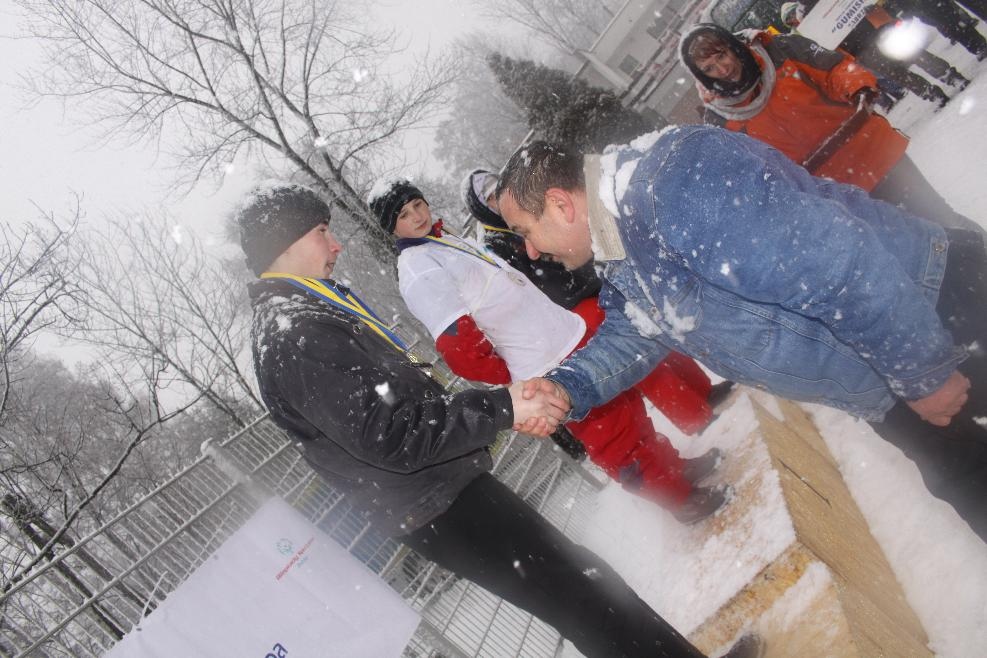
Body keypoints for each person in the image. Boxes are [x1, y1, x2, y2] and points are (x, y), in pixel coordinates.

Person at [236, 182, 762, 658]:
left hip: (436, 492)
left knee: (581, 588)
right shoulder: (293, 332)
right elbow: (391, 432)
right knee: (583, 592)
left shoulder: (303, 315)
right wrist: (504, 403)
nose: (336, 245)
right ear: (284, 241)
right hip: (432, 501)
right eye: (322, 232)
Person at [494, 130, 987, 543]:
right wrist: (566, 388)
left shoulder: (670, 186)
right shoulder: (621, 239)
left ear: (560, 205)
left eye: (524, 231)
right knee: (966, 479)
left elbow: (835, 264)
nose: (530, 252)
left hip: (933, 311)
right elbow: (636, 328)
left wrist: (922, 373)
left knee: (968, 478)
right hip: (883, 364)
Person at [370, 178, 731, 524]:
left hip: (564, 338)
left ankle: (673, 468)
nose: (417, 216)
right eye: (404, 214)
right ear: (391, 226)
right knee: (612, 436)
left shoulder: (442, 240)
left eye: (418, 204)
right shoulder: (417, 266)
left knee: (628, 411)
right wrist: (513, 371)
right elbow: (459, 347)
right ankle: (678, 499)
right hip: (544, 363)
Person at [462, 168, 736, 435]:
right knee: (634, 351)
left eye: (498, 189)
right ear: (482, 208)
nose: (498, 201)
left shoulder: (529, 208)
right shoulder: (495, 243)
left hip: (592, 280)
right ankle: (693, 415)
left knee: (656, 326)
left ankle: (703, 390)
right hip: (574, 305)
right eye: (490, 198)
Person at [679, 23, 982, 235]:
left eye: (722, 55)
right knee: (915, 252)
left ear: (733, 46)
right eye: (709, 69)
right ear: (701, 76)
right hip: (838, 195)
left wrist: (857, 87)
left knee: (942, 220)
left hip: (872, 152)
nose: (722, 69)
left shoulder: (781, 50)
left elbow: (836, 69)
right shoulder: (719, 120)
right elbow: (750, 168)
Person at [780, 2, 968, 107]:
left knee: (914, 55)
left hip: (876, 30)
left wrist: (870, 6)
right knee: (898, 74)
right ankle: (932, 94)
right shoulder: (804, 19)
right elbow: (818, 43)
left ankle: (951, 77)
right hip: (859, 49)